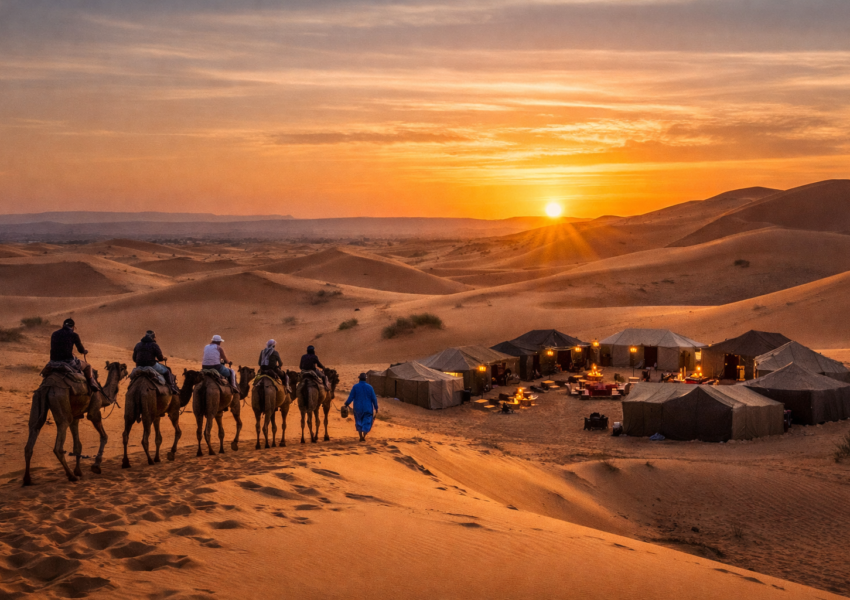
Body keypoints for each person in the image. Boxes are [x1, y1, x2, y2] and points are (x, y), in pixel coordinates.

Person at [50, 318, 102, 393]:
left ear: (63, 325)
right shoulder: (74, 335)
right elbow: (80, 350)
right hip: (68, 362)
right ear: (73, 327)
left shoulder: (54, 334)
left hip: (53, 362)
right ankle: (92, 384)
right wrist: (85, 351)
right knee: (88, 366)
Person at [344, 373, 378, 442]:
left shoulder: (355, 387)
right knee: (367, 423)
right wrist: (376, 407)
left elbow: (351, 397)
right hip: (368, 408)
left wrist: (346, 404)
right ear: (366, 379)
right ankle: (364, 436)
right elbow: (374, 399)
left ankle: (360, 436)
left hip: (358, 408)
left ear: (359, 379)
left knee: (358, 422)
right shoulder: (370, 387)